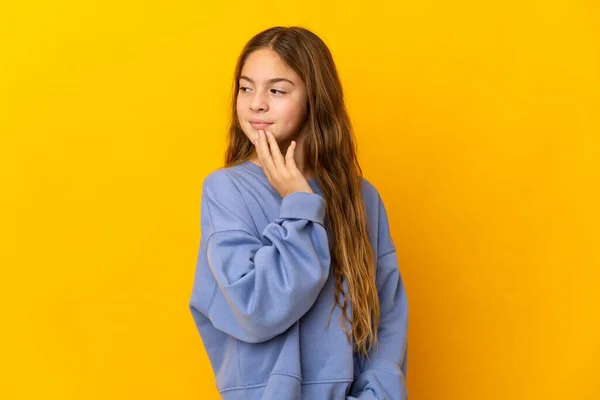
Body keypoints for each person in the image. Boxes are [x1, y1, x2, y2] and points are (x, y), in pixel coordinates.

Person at [189, 26, 408, 399]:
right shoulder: (227, 190)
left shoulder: (361, 198)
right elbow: (256, 309)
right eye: (246, 88)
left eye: (276, 90)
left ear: (314, 100)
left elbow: (385, 319)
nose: (256, 103)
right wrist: (299, 206)